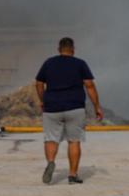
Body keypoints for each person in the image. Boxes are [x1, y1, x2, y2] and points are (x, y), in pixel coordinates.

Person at [35, 37, 102, 185]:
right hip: (75, 107)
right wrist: (97, 106)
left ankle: (51, 162)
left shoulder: (49, 63)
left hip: (52, 107)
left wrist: (43, 100)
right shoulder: (80, 64)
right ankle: (72, 175)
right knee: (74, 141)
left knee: (51, 139)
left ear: (59, 49)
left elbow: (39, 83)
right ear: (73, 49)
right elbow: (89, 85)